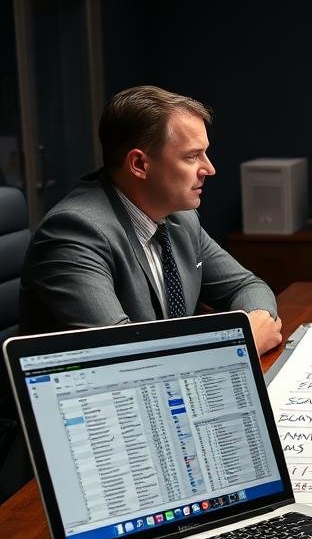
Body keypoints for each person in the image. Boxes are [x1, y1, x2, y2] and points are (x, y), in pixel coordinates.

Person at [20, 85, 282, 354]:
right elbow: (121, 353)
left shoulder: (181, 217)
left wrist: (253, 323)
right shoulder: (74, 232)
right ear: (139, 164)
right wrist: (239, 346)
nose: (209, 169)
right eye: (192, 156)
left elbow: (246, 286)